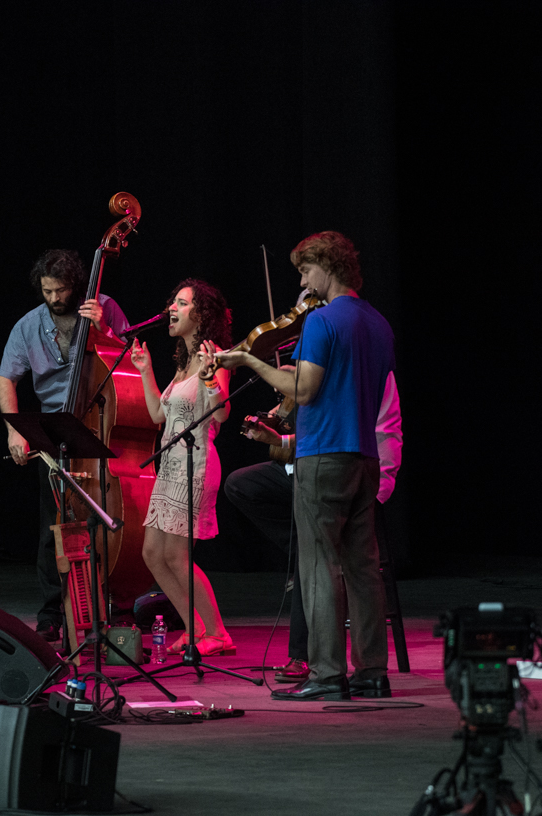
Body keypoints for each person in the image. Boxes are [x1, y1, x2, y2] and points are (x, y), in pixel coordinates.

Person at [214, 230, 395, 701]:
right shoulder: (379, 323)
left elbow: (306, 391)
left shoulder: (321, 322)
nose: (303, 282)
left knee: (318, 566)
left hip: (323, 456)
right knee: (362, 568)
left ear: (327, 267)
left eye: (305, 270)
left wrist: (250, 363)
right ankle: (373, 671)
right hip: (365, 458)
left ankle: (327, 673)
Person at [224, 369, 402, 683]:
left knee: (313, 548)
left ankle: (306, 658)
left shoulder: (357, 370)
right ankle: (302, 550)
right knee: (242, 486)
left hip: (352, 472)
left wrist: (280, 435)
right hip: (309, 466)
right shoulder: (324, 362)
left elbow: (332, 435)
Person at [0, 249, 129, 642]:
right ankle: (52, 611)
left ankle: (107, 603)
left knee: (101, 519)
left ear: (76, 284)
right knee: (52, 523)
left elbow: (127, 360)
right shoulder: (27, 326)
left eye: (61, 289)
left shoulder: (103, 308)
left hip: (100, 420)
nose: (55, 298)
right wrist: (14, 430)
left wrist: (103, 331)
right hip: (54, 427)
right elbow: (7, 379)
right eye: (47, 290)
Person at [128, 279, 234, 657]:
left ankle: (218, 633)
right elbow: (159, 413)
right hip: (169, 467)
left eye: (181, 303)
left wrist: (208, 376)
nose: (171, 308)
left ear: (201, 314)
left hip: (196, 464)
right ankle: (195, 629)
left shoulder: (212, 356)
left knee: (176, 556)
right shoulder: (182, 362)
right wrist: (144, 370)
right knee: (152, 554)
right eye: (172, 301)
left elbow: (221, 412)